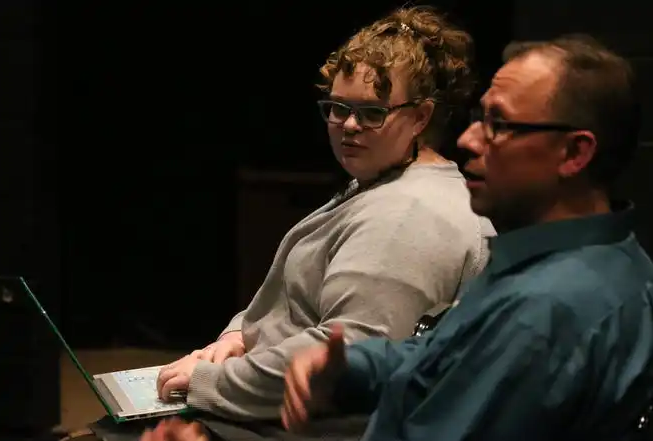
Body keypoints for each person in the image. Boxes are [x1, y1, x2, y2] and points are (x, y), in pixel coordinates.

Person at [280, 34, 653, 440]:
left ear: (574, 153)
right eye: (479, 118)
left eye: (499, 125)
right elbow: (443, 356)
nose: (468, 140)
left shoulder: (542, 312)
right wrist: (351, 367)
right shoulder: (601, 258)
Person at [154, 5, 491, 423]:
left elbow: (340, 356)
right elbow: (296, 302)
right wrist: (240, 335)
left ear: (420, 116)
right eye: (338, 107)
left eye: (371, 113)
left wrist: (209, 382)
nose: (348, 125)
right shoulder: (383, 182)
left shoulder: (410, 216)